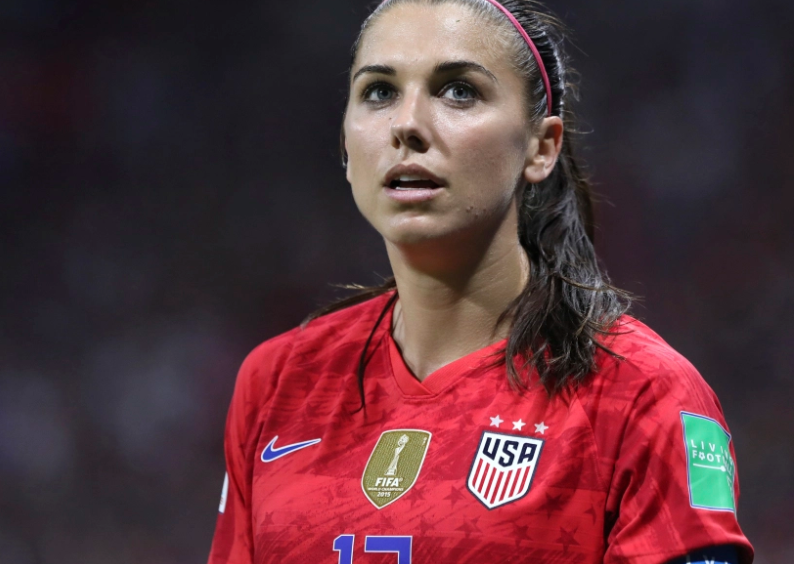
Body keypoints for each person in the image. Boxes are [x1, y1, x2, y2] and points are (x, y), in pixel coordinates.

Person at [207, 0, 754, 562]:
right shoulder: (277, 382)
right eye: (379, 92)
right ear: (345, 144)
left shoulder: (644, 396)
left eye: (459, 91)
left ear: (542, 147)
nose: (407, 125)